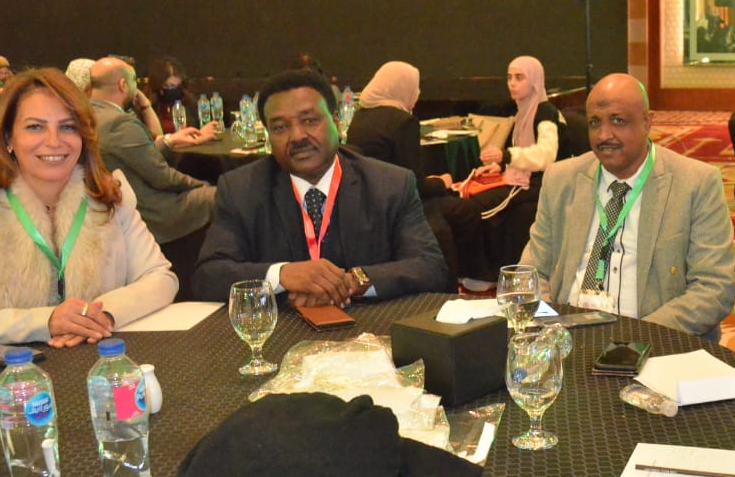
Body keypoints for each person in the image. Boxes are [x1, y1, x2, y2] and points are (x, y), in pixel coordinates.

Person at [0, 68, 177, 345]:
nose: (53, 141)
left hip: (99, 360)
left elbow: (160, 277)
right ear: (8, 138)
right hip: (12, 369)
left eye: (68, 127)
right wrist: (46, 322)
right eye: (35, 127)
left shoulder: (110, 198)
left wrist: (102, 315)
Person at [193, 69, 447, 304]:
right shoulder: (241, 190)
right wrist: (282, 275)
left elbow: (430, 266)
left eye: (310, 120)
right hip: (281, 329)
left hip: (371, 328)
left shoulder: (389, 183)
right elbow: (208, 275)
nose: (297, 136)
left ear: (336, 122)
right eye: (280, 127)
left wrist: (351, 282)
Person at [521, 73, 735, 340]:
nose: (604, 135)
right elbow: (531, 271)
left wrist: (636, 336)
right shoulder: (561, 179)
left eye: (618, 121)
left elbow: (715, 288)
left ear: (647, 122)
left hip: (653, 339)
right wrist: (551, 325)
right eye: (595, 122)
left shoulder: (696, 183)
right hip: (567, 335)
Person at [346, 60, 483, 287]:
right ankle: (464, 278)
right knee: (466, 209)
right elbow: (414, 186)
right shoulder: (403, 122)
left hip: (368, 201)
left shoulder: (360, 117)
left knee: (459, 208)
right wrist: (442, 182)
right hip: (398, 202)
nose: (418, 93)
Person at [89, 58, 216, 245]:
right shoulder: (120, 123)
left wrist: (169, 141)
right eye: (134, 81)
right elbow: (163, 177)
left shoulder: (88, 116)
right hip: (152, 213)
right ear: (123, 85)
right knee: (223, 197)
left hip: (115, 207)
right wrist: (202, 184)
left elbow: (134, 155)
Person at [462, 56, 562, 280]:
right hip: (521, 178)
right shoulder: (522, 111)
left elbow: (546, 156)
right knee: (471, 198)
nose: (512, 83)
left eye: (519, 78)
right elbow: (520, 153)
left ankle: (487, 274)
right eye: (509, 77)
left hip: (538, 183)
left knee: (478, 208)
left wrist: (507, 156)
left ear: (534, 81)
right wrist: (498, 166)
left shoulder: (545, 112)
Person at [146, 56, 221, 134]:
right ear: (157, 85)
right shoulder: (147, 107)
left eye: (177, 86)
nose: (173, 90)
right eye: (168, 86)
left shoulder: (189, 102)